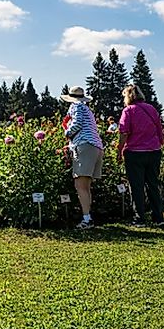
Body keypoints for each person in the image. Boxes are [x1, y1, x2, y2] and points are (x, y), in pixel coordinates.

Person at [117, 84, 164, 227]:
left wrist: (119, 150)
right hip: (154, 151)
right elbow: (159, 128)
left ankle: (139, 218)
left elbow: (124, 132)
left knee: (136, 186)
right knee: (153, 185)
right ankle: (158, 218)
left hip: (135, 153)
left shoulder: (128, 111)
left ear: (128, 96)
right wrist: (159, 143)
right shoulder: (151, 109)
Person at [61, 86, 104, 230]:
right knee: (86, 186)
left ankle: (87, 219)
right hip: (95, 146)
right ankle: (88, 217)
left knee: (80, 185)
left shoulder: (76, 106)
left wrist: (67, 133)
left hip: (84, 146)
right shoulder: (87, 109)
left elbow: (77, 123)